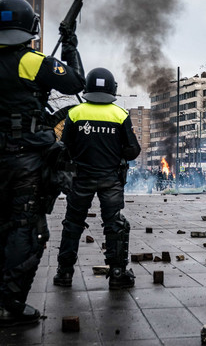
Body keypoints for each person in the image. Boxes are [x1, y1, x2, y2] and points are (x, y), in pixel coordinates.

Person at [0, 0, 85, 326]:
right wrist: (71, 45)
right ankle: (11, 305)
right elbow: (77, 82)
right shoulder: (31, 61)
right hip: (27, 159)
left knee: (1, 223)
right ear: (31, 27)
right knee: (28, 229)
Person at [54, 67, 141, 290]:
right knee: (114, 225)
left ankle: (64, 273)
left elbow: (65, 148)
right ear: (112, 89)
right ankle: (118, 273)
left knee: (72, 224)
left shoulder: (74, 114)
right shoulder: (120, 115)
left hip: (80, 178)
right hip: (110, 179)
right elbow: (133, 151)